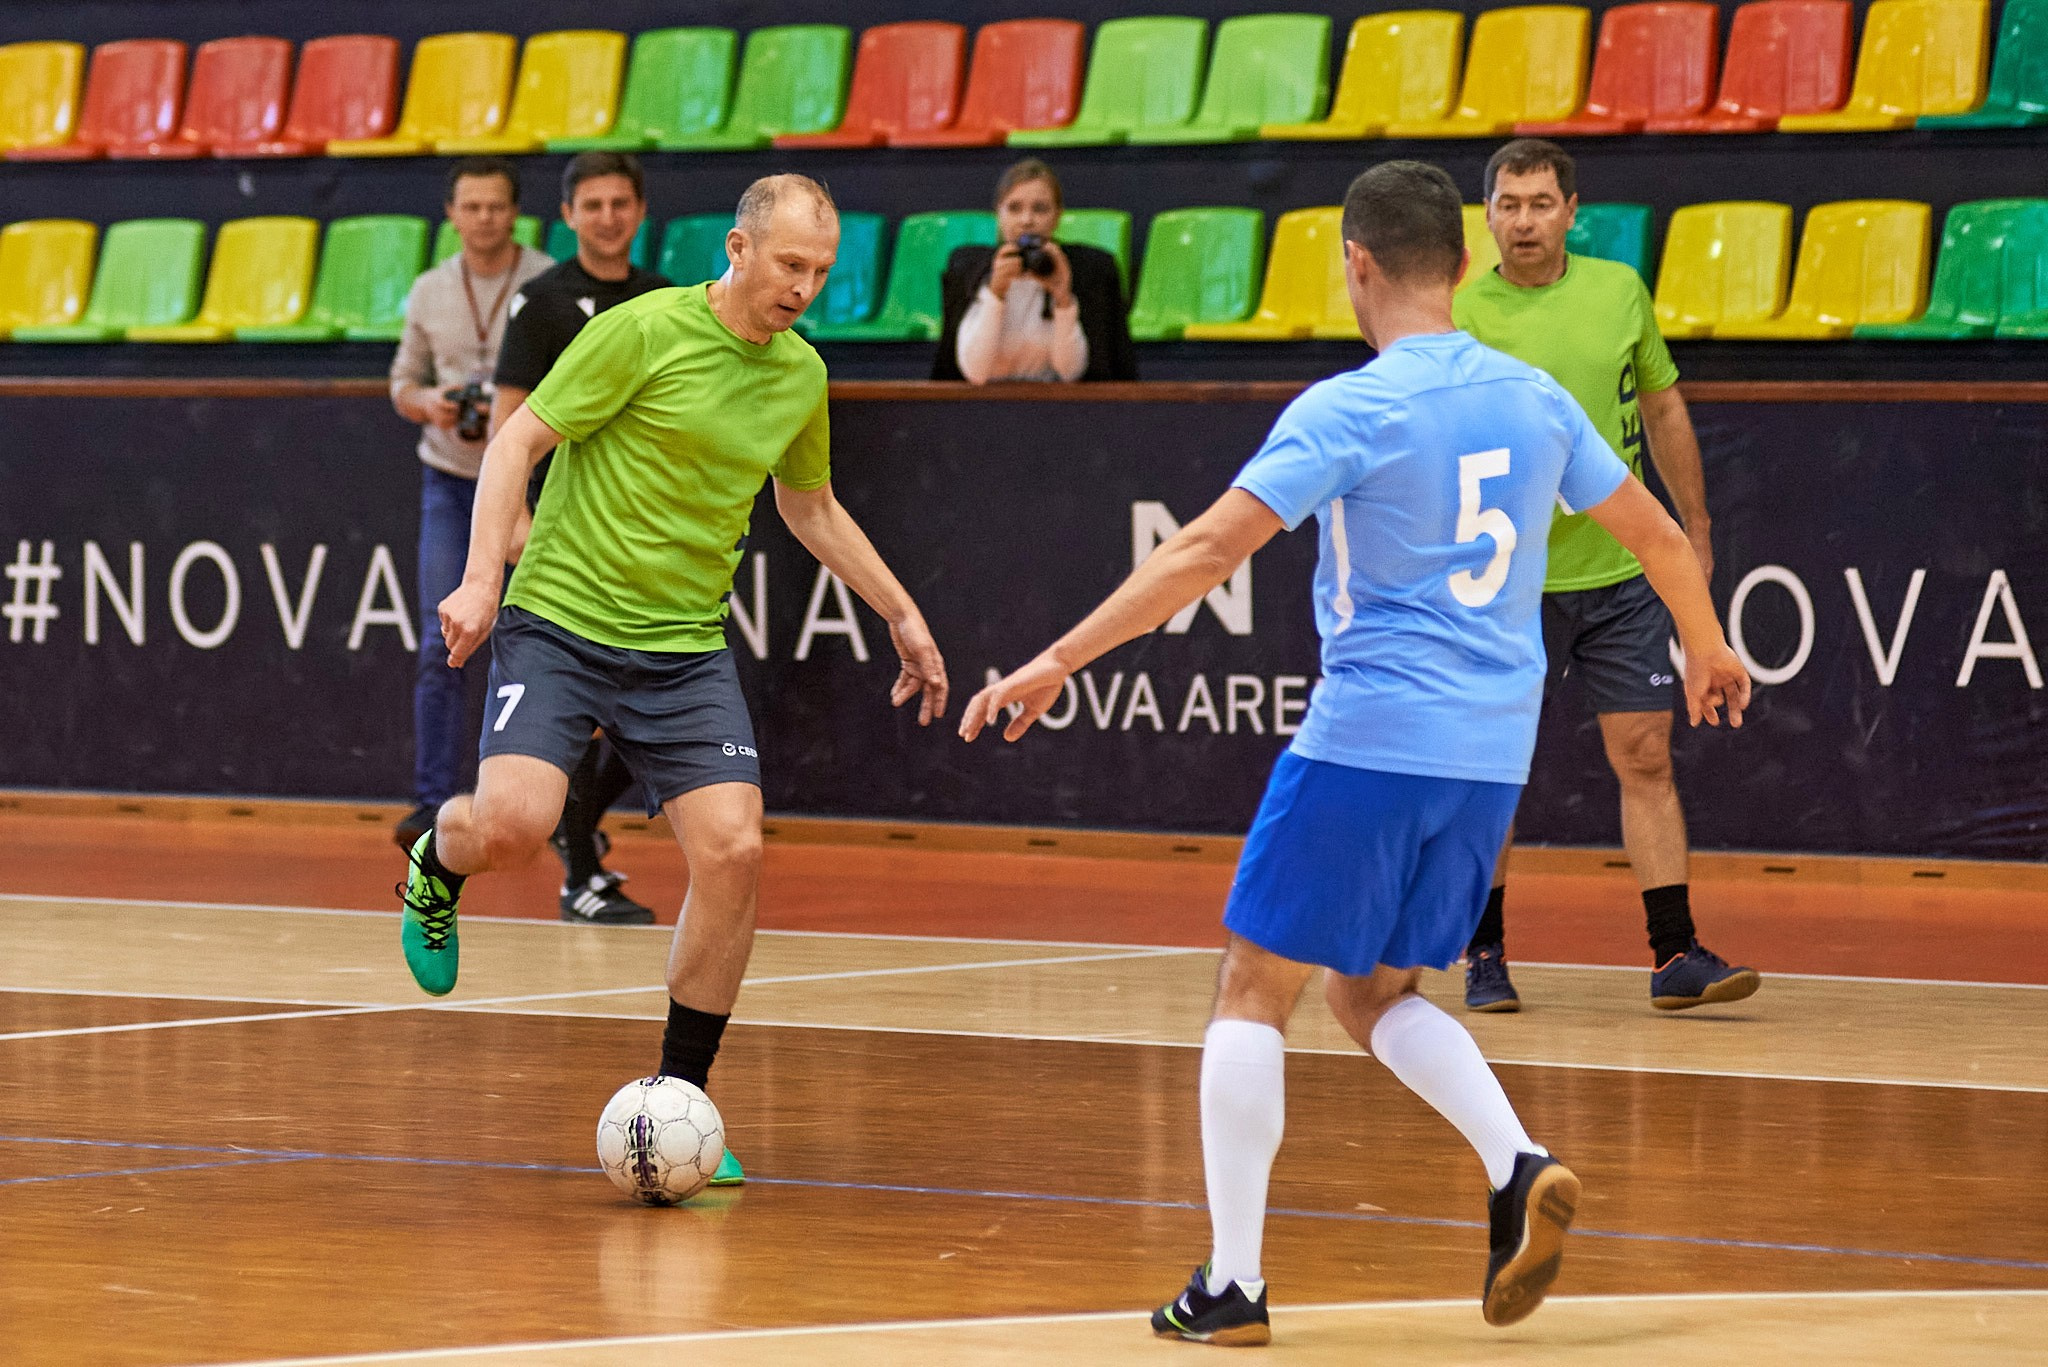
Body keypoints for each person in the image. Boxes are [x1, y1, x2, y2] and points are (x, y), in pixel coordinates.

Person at [961, 160, 1750, 1346]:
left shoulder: (1354, 405)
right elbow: (1656, 534)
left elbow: (1201, 554)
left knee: (1250, 988)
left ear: (1356, 263)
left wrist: (1057, 658)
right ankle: (1512, 1160)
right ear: (1469, 262)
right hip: (1490, 753)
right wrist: (1705, 646)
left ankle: (1232, 1283)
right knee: (1371, 987)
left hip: (1371, 736)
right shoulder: (1533, 395)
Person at [397, 175, 949, 1191]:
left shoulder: (798, 374)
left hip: (683, 647)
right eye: (789, 264)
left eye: (820, 273)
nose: (803, 288)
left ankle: (680, 1094)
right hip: (560, 620)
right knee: (516, 825)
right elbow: (516, 439)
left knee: (734, 848)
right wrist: (482, 580)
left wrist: (900, 611)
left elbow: (810, 505)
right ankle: (438, 855)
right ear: (737, 249)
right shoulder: (640, 332)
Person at [1453, 139, 1759, 1013]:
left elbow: (1660, 405)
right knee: (1495, 770)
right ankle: (1484, 953)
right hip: (1509, 582)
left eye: (1540, 203)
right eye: (1508, 204)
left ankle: (1675, 956)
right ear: (1488, 215)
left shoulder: (1619, 291)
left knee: (1646, 752)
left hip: (1619, 572)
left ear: (1572, 211)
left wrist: (1692, 522)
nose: (1523, 220)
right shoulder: (1461, 315)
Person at [490, 151, 672, 927]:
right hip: (564, 542)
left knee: (656, 715)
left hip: (647, 540)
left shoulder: (670, 303)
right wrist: (518, 536)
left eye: (618, 203)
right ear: (567, 215)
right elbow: (508, 430)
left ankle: (582, 844)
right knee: (578, 715)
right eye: (590, 204)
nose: (605, 216)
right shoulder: (544, 304)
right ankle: (581, 874)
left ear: (638, 211)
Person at [388, 158, 554, 853]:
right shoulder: (429, 290)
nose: (484, 218)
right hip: (452, 480)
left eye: (496, 206)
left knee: (551, 644)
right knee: (441, 641)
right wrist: (433, 406)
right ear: (451, 213)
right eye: (471, 206)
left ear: (514, 213)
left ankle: (548, 809)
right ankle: (430, 803)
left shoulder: (547, 282)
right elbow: (403, 383)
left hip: (536, 482)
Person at [932, 158, 1137, 383]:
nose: (1027, 220)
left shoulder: (1089, 270)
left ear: (1057, 216)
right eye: (1014, 208)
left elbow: (1072, 374)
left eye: (1040, 209)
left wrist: (1063, 301)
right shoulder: (969, 269)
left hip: (1058, 407)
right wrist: (995, 294)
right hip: (982, 407)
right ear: (999, 215)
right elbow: (976, 374)